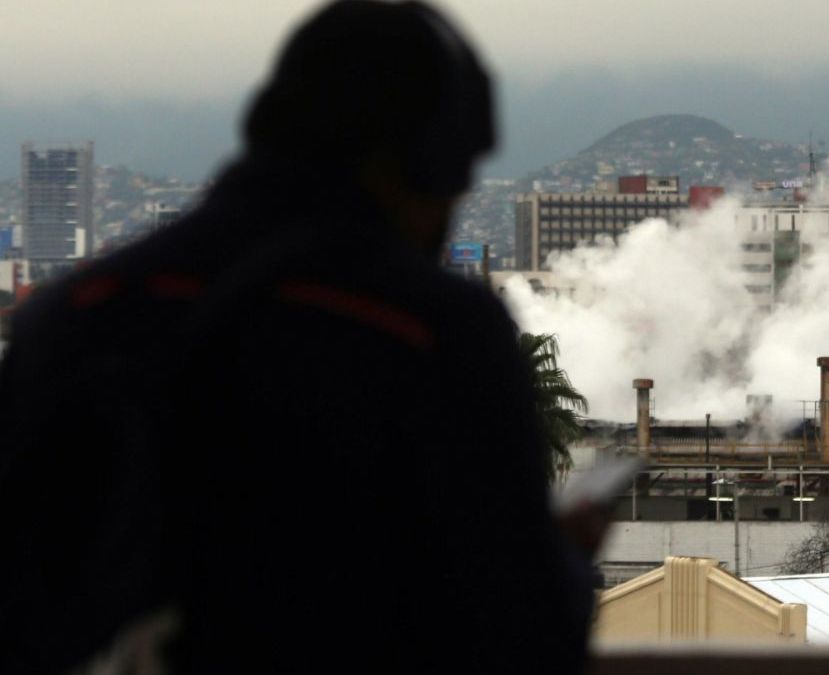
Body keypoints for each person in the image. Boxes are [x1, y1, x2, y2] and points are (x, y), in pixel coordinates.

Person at [0, 2, 601, 673]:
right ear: (422, 165)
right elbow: (525, 632)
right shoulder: (429, 332)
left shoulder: (76, 312)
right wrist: (568, 562)